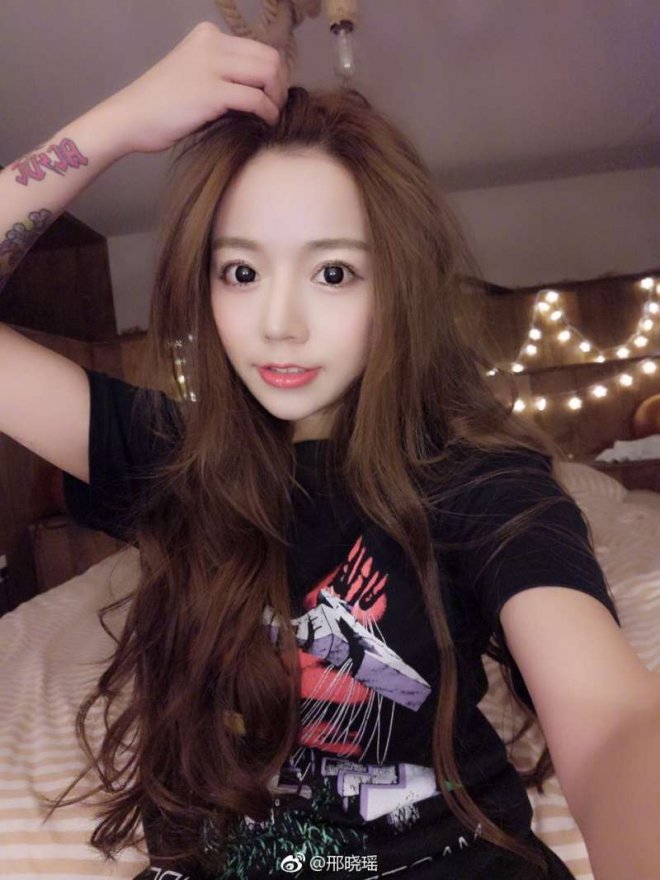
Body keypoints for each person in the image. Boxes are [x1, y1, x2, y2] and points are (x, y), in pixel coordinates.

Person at [0, 20, 657, 880]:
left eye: (334, 272)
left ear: (396, 288)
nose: (281, 323)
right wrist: (114, 124)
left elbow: (612, 722)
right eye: (242, 272)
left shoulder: (477, 478)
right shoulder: (168, 456)